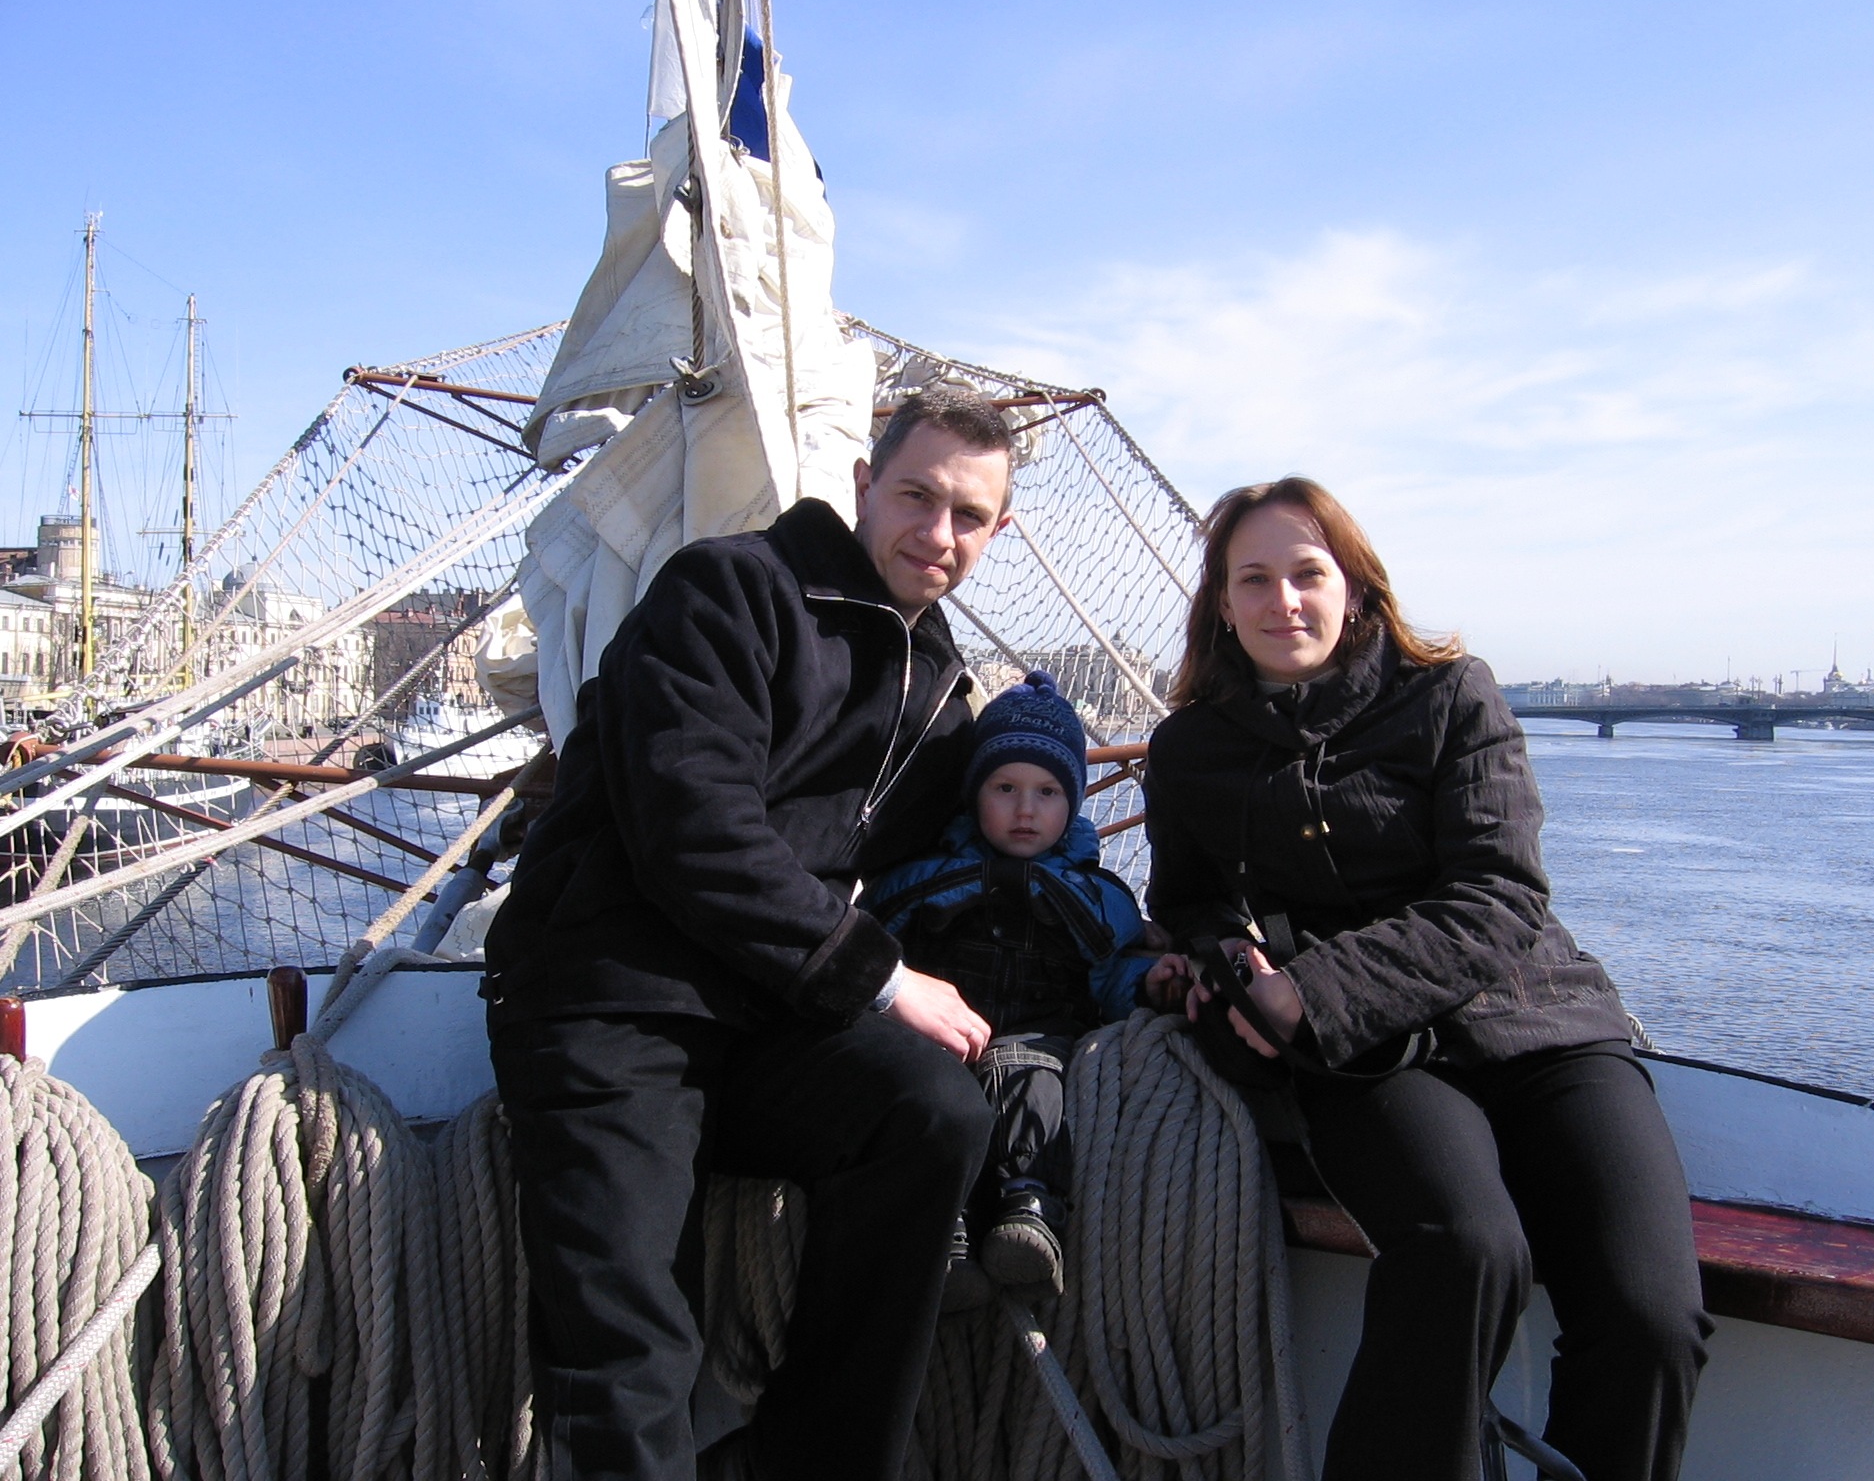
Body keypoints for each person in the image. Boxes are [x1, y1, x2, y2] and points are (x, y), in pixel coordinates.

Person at [481, 385, 1019, 1481]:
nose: (938, 532)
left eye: (968, 515)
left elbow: (947, 863)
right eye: (916, 497)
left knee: (932, 1118)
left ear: (996, 530)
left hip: (769, 1016)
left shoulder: (937, 690)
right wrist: (881, 978)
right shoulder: (728, 590)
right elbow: (693, 826)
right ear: (863, 485)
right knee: (632, 1347)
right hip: (615, 995)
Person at [1141, 477, 1711, 1481]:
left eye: (1308, 574)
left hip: (1536, 1025)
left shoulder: (1449, 695)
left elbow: (1500, 893)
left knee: (1649, 1316)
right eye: (1253, 580)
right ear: (1221, 605)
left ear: (1355, 589)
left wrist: (1309, 993)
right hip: (1374, 1059)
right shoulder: (1190, 748)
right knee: (1463, 1250)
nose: (1283, 601)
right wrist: (1233, 971)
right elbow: (1190, 901)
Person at [862, 670, 1181, 1302]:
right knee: (931, 1083)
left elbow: (1109, 974)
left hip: (1040, 1035)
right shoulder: (927, 878)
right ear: (973, 794)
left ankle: (1029, 1206)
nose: (1026, 810)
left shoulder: (1093, 897)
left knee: (1028, 1072)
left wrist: (1151, 984)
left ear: (1073, 803)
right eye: (1004, 788)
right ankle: (944, 1226)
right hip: (947, 1033)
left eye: (1047, 792)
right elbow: (878, 928)